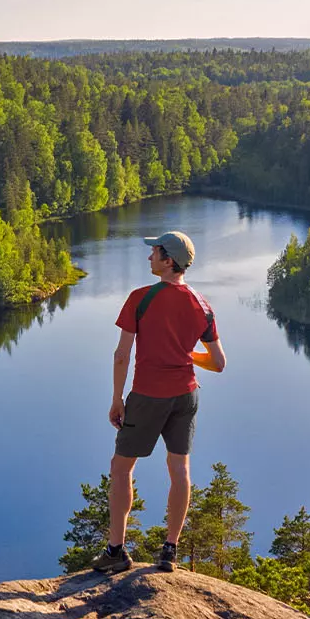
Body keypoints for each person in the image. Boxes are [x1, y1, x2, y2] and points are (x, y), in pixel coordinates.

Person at [91, 229, 225, 574]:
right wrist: (184, 354)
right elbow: (219, 363)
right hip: (186, 395)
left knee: (121, 468)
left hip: (149, 395)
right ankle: (170, 551)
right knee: (179, 470)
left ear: (168, 262)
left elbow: (122, 355)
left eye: (155, 253)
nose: (149, 257)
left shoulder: (141, 298)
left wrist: (117, 399)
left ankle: (116, 551)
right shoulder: (202, 305)